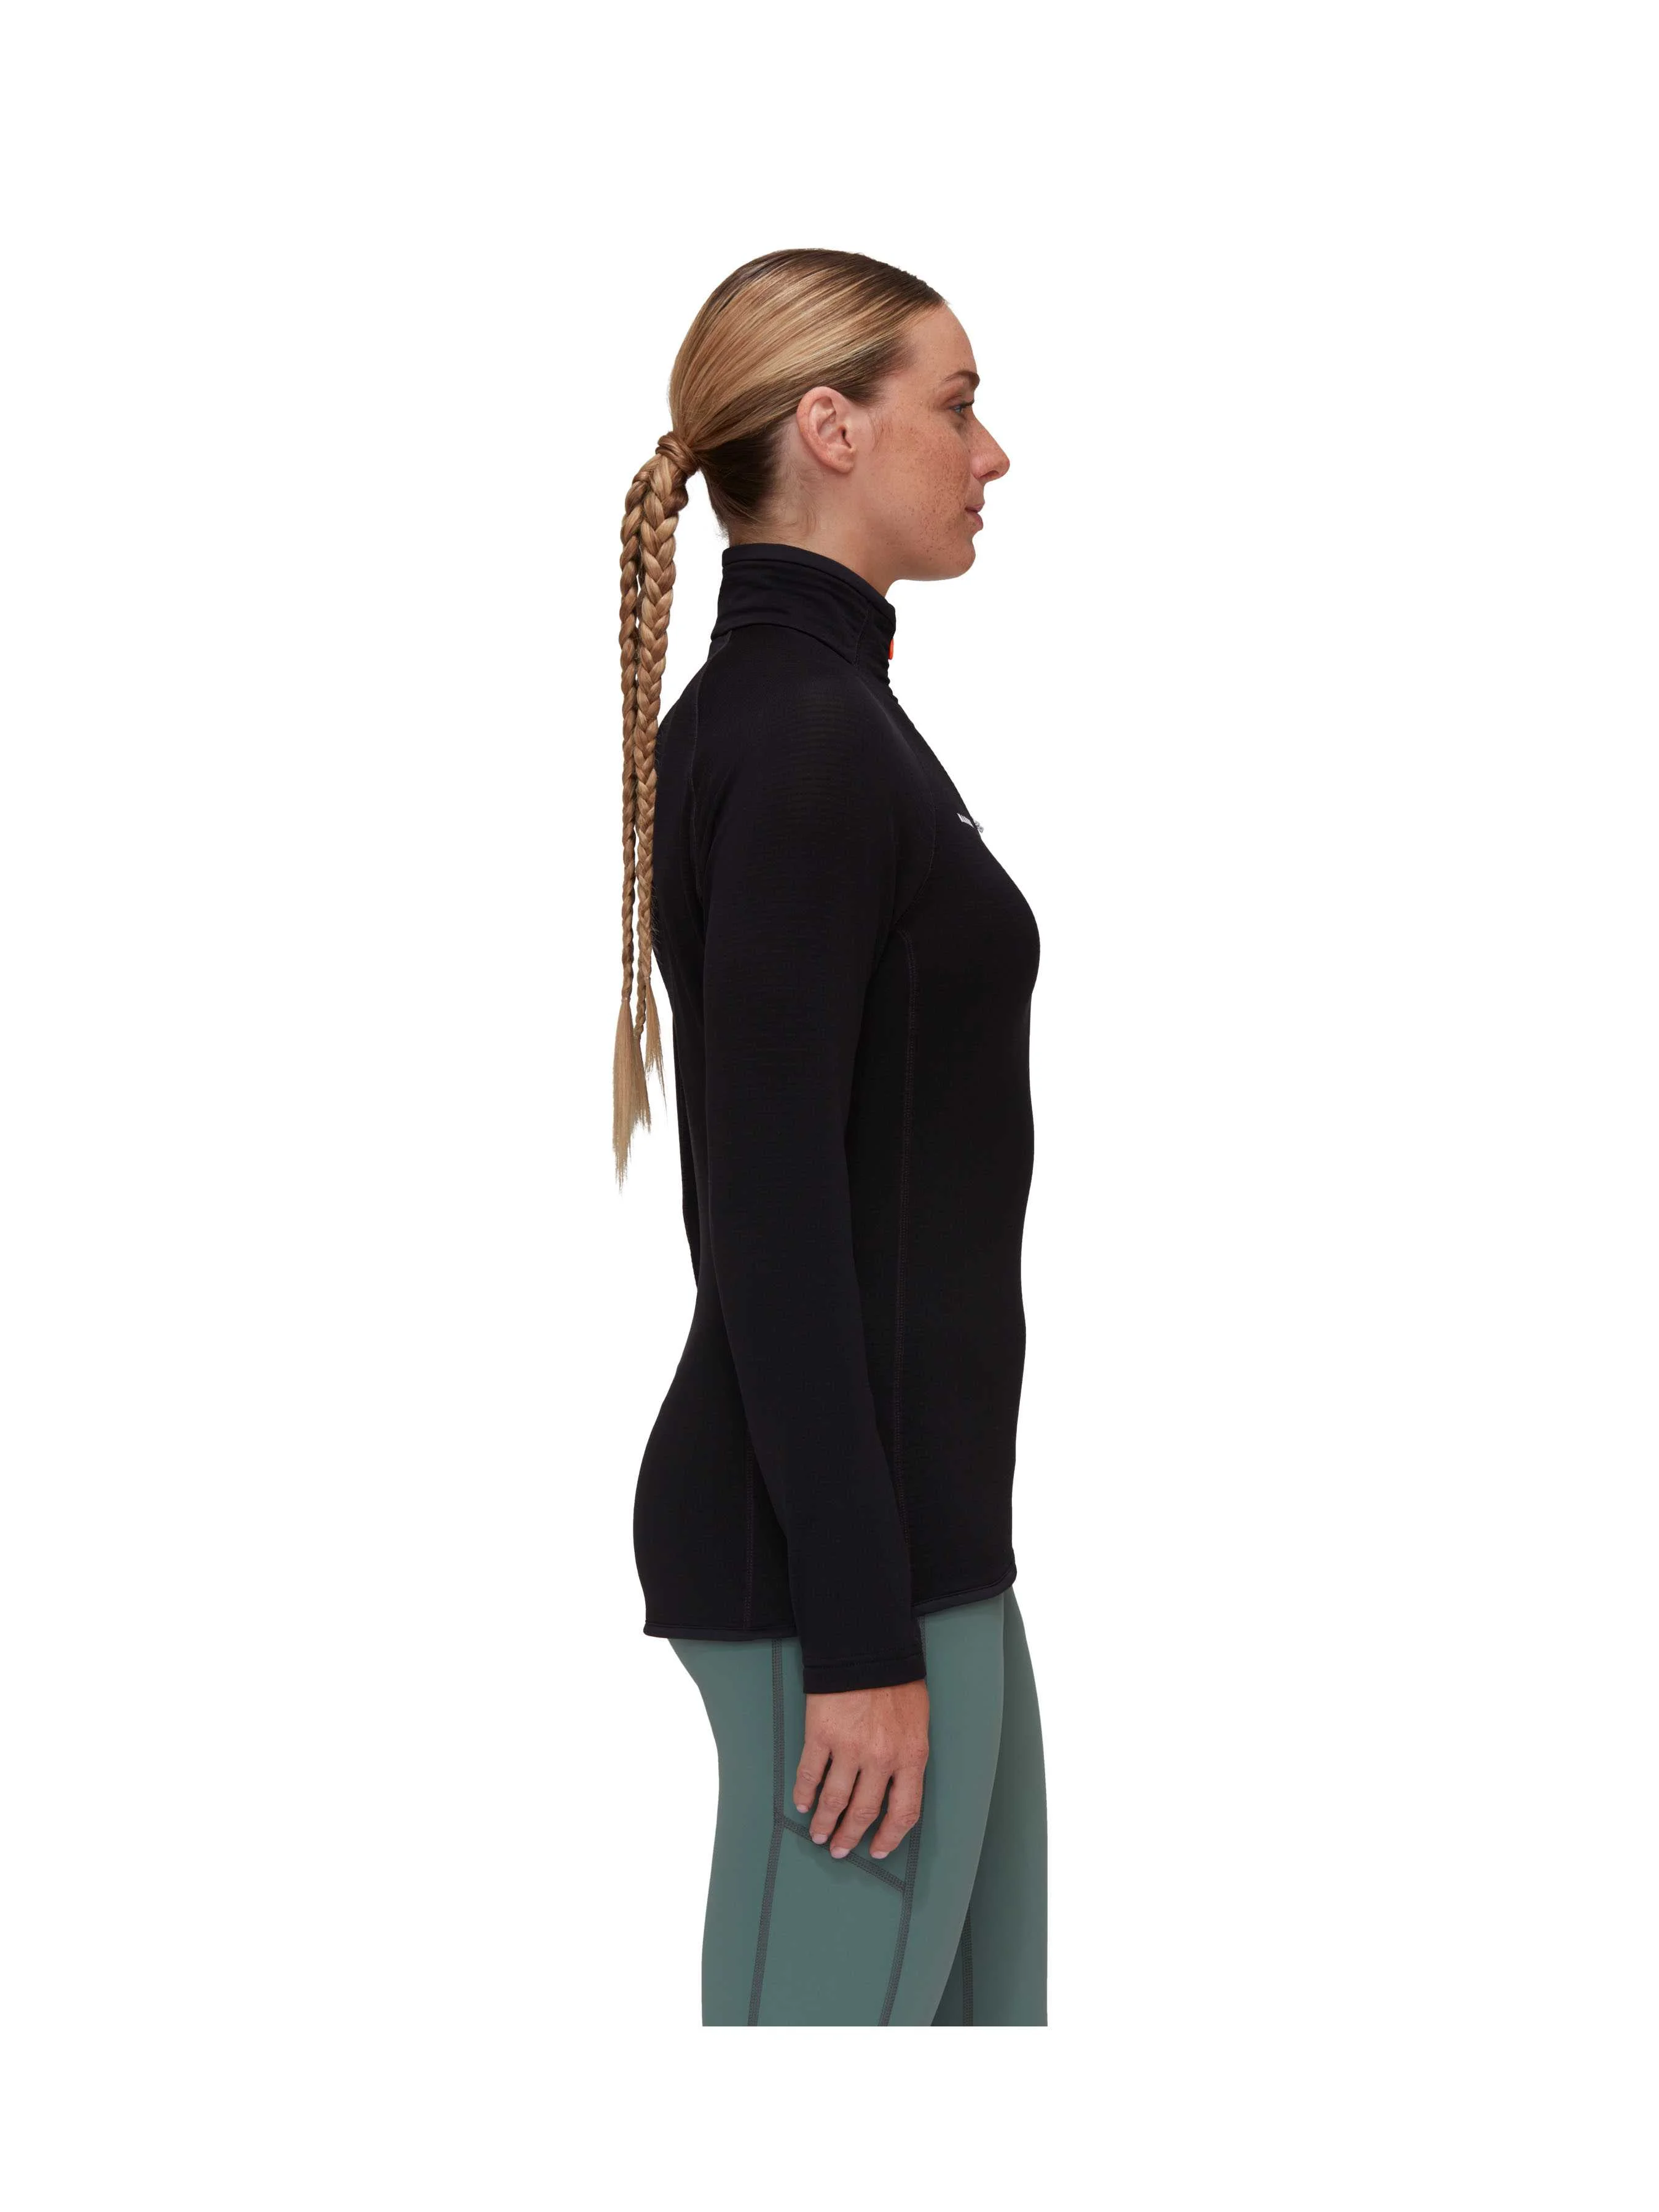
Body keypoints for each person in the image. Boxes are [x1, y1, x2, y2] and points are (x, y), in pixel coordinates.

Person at [613, 249, 1046, 2025]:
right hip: (836, 1583)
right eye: (958, 406)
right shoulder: (798, 740)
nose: (992, 454)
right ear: (831, 427)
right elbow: (772, 1218)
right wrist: (859, 1632)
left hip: (916, 1547)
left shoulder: (831, 720)